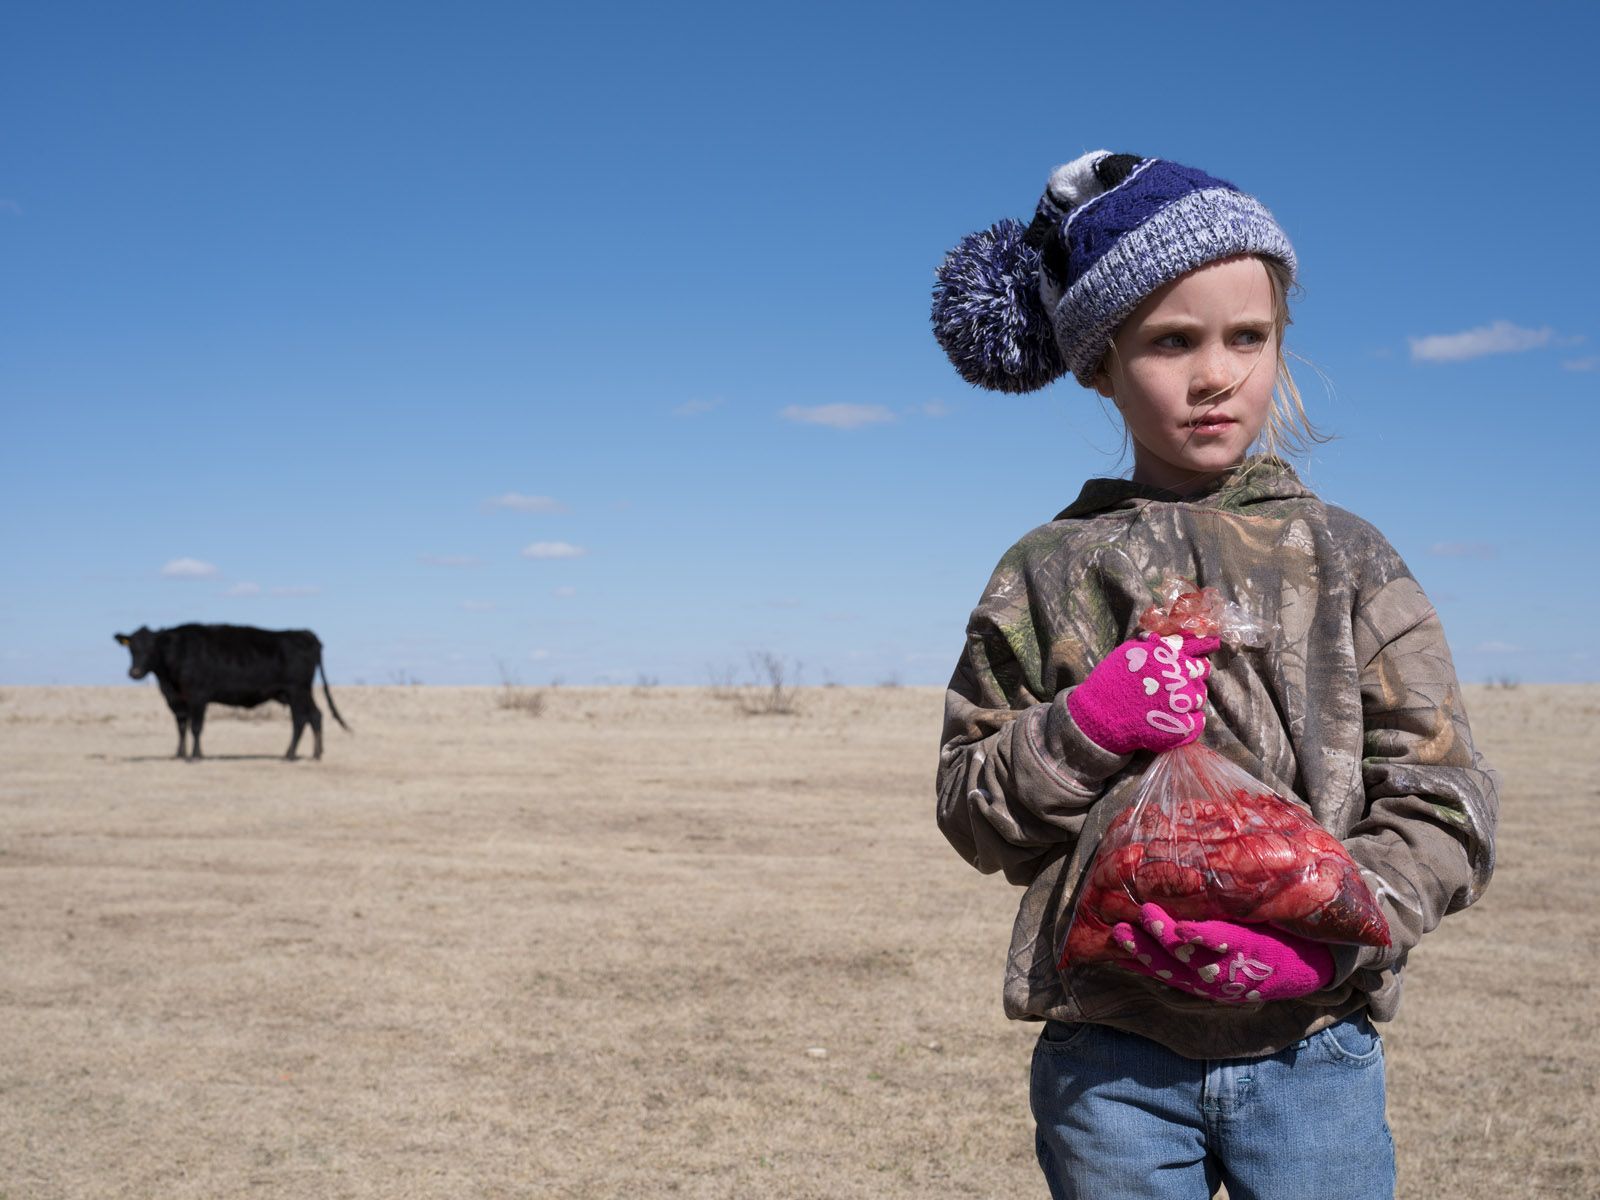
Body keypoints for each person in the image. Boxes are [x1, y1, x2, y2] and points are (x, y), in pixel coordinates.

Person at [928, 151, 1500, 1200]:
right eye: (1169, 341)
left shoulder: (1347, 559)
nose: (1214, 374)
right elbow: (970, 809)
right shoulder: (1047, 570)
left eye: (1248, 337)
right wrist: (1086, 727)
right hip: (1110, 1064)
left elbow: (1444, 795)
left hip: (1311, 1052)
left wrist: (1337, 936)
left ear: (1281, 345)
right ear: (1097, 362)